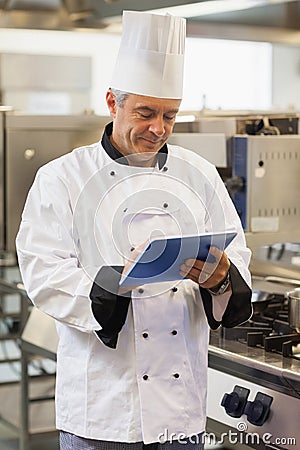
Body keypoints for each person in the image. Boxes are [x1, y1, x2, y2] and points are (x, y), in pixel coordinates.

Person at [16, 10, 252, 450]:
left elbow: (236, 253)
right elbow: (43, 272)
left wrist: (220, 278)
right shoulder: (61, 178)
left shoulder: (198, 174)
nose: (158, 129)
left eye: (169, 116)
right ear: (112, 102)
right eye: (145, 113)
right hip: (102, 406)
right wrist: (116, 284)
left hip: (180, 407)